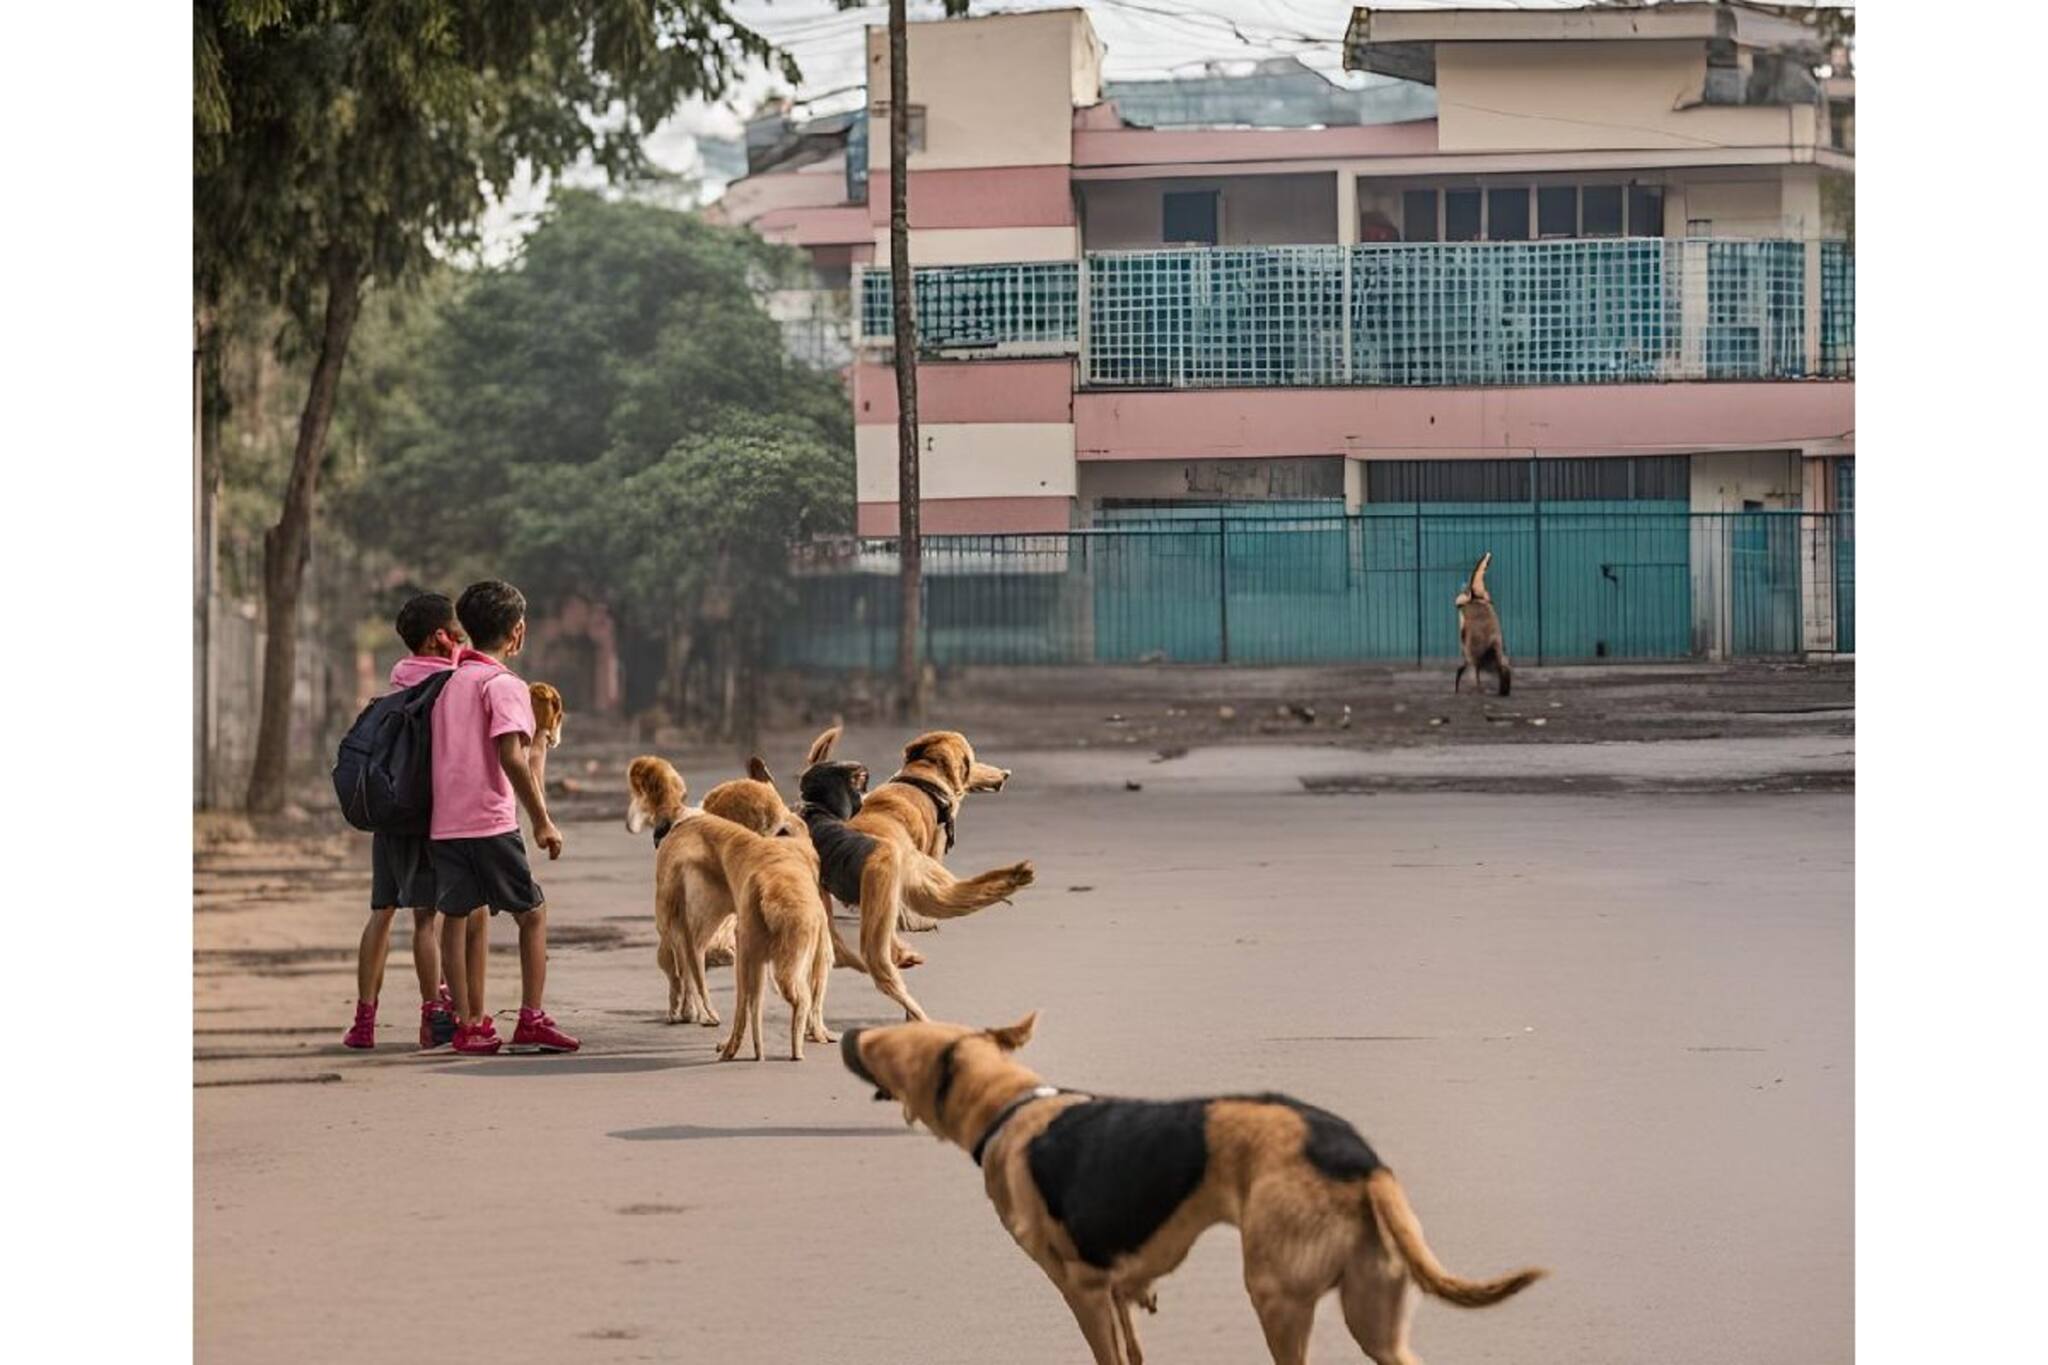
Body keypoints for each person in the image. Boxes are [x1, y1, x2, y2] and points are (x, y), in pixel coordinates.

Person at [430, 580, 577, 1055]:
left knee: (454, 917)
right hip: (491, 822)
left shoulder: (448, 683)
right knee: (532, 915)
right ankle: (531, 1018)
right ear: (518, 632)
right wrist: (541, 820)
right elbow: (512, 758)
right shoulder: (504, 685)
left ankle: (469, 1023)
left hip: (446, 821)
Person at [342, 593, 464, 1051]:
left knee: (381, 912)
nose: (460, 638)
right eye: (456, 630)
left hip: (388, 811)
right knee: (427, 918)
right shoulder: (449, 685)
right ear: (440, 636)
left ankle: (363, 1022)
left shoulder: (397, 683)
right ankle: (434, 1012)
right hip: (427, 811)